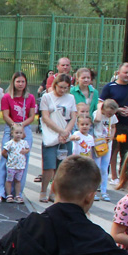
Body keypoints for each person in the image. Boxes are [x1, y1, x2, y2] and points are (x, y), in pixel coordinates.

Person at [37, 74, 75, 203]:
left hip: (65, 135)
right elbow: (45, 117)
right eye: (61, 87)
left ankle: (54, 192)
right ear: (55, 85)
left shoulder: (71, 98)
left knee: (62, 166)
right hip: (51, 134)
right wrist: (60, 131)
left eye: (66, 88)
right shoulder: (47, 97)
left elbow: (73, 117)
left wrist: (66, 132)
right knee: (49, 165)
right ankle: (43, 190)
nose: (63, 90)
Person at [99, 62, 128, 172]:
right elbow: (101, 104)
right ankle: (106, 177)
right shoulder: (110, 87)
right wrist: (117, 110)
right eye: (125, 72)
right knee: (111, 150)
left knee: (126, 152)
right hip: (113, 125)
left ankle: (124, 178)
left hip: (127, 125)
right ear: (118, 73)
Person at [0, 123, 29, 204]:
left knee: (18, 181)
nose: (19, 135)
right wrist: (9, 158)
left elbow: (27, 149)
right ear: (12, 133)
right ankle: (9, 195)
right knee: (9, 180)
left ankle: (17, 195)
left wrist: (25, 151)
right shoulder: (10, 143)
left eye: (20, 133)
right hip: (11, 166)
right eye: (17, 133)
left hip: (20, 166)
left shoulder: (24, 142)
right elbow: (4, 152)